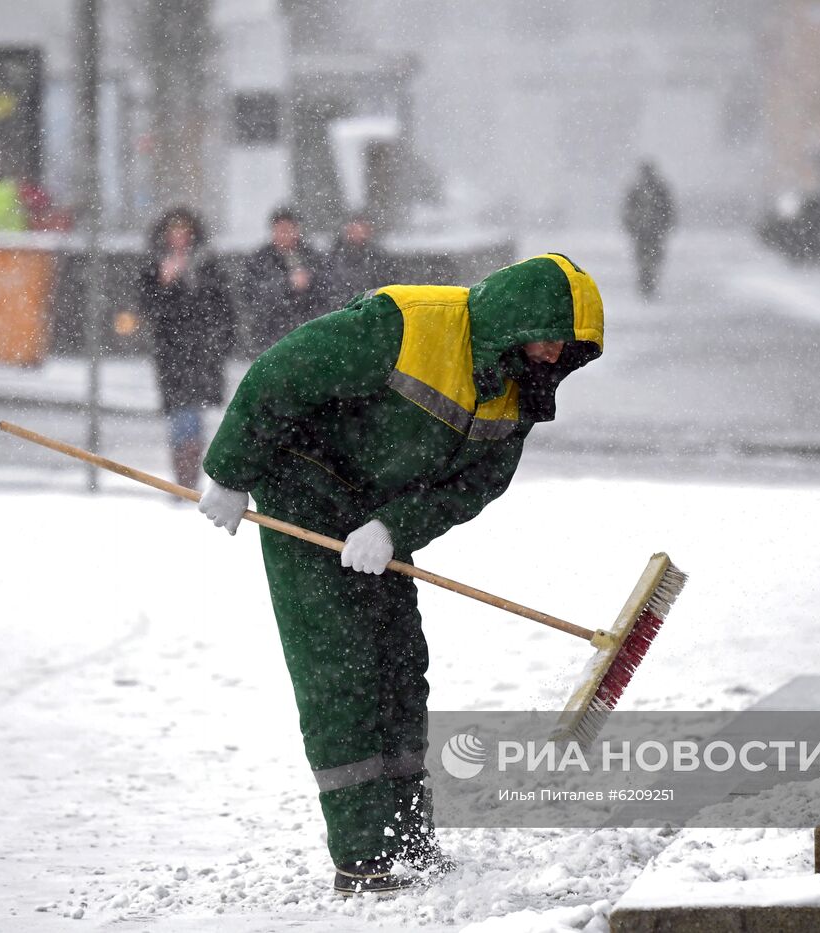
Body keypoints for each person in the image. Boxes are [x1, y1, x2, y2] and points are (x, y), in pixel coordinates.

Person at [195, 253, 604, 896]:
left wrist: (392, 530)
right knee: (339, 668)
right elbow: (283, 372)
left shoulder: (519, 388)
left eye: (567, 346)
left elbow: (474, 486)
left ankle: (406, 839)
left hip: (375, 514)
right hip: (303, 490)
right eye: (549, 336)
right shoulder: (406, 326)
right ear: (516, 321)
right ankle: (363, 858)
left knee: (397, 665)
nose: (554, 355)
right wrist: (230, 472)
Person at [135, 207, 235, 489]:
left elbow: (221, 306)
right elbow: (148, 308)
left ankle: (189, 476)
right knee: (180, 411)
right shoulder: (154, 264)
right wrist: (164, 283)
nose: (179, 238)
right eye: (173, 232)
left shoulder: (207, 263)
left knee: (193, 411)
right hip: (171, 351)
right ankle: (183, 476)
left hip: (202, 350)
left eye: (184, 232)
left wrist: (219, 343)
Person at [241, 207, 329, 355]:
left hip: (307, 333)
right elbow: (252, 294)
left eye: (290, 229)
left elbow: (328, 289)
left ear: (298, 230)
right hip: (271, 336)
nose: (285, 234)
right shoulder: (259, 259)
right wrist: (287, 284)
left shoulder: (312, 256)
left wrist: (310, 282)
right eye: (281, 229)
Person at [621, 161, 676, 299]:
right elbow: (628, 210)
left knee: (652, 257)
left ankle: (648, 282)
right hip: (643, 231)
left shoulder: (658, 189)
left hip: (653, 231)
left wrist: (666, 224)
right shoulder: (639, 190)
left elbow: (668, 209)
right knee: (644, 257)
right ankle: (645, 282)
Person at [324, 212, 396, 307]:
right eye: (355, 229)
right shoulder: (334, 256)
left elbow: (388, 284)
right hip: (340, 309)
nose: (359, 233)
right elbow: (328, 285)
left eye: (362, 230)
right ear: (347, 231)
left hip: (369, 309)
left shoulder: (378, 257)